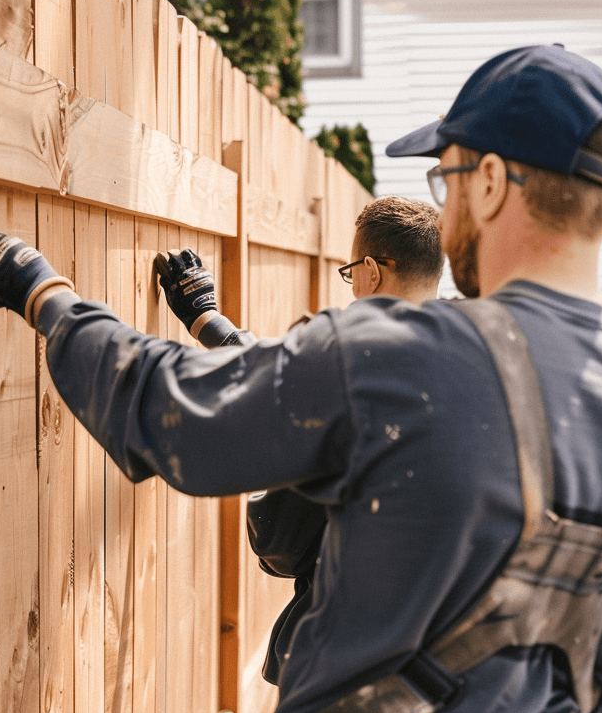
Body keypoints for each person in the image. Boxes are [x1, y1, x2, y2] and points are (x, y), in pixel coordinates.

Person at [0, 44, 602, 713]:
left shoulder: (395, 359)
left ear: (495, 182)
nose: (450, 200)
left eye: (449, 176)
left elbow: (165, 411)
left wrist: (42, 291)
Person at [153, 196, 444, 686]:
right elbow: (294, 381)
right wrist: (210, 322)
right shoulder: (468, 366)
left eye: (352, 273)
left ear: (371, 272)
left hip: (339, 676)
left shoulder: (358, 362)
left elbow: (280, 545)